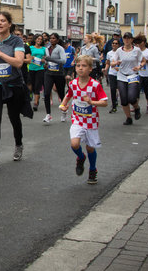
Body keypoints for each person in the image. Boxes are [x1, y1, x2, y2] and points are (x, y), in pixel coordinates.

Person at [0, 11, 26, 168]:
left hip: (13, 84)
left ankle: (19, 144)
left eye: (3, 21)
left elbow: (18, 63)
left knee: (14, 117)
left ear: (9, 24)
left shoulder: (16, 41)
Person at [59, 55, 108, 184]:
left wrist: (92, 102)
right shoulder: (73, 83)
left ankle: (92, 170)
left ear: (90, 69)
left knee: (90, 148)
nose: (80, 68)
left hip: (91, 121)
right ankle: (81, 158)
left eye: (84, 66)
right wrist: (63, 105)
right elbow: (69, 95)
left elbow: (104, 102)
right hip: (77, 119)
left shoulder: (95, 85)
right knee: (74, 144)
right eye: (78, 66)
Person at [110, 32, 145, 125]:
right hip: (121, 76)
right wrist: (116, 63)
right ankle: (128, 118)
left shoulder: (136, 50)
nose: (126, 40)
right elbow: (112, 63)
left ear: (132, 40)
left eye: (128, 38)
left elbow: (143, 60)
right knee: (124, 99)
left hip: (133, 75)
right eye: (125, 38)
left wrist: (139, 66)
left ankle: (136, 108)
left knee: (132, 98)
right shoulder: (119, 51)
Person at [42, 33, 67, 124]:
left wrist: (50, 60)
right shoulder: (47, 48)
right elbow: (46, 60)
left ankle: (64, 111)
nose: (52, 40)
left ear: (57, 40)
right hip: (48, 73)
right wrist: (45, 63)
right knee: (47, 93)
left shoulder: (60, 49)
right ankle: (48, 114)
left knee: (61, 94)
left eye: (54, 38)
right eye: (50, 38)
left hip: (59, 74)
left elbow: (63, 61)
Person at [134, 34, 148, 114]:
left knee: (146, 91)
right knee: (137, 91)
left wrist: (146, 61)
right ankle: (136, 107)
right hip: (138, 74)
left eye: (139, 42)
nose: (138, 44)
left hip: (147, 74)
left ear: (143, 42)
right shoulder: (136, 51)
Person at [28, 34, 45, 111]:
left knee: (37, 86)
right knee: (30, 85)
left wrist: (39, 59)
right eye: (38, 39)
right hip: (31, 68)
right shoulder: (30, 48)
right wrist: (33, 58)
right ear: (35, 39)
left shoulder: (44, 49)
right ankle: (30, 96)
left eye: (41, 39)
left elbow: (45, 59)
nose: (39, 40)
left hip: (40, 69)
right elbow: (28, 57)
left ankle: (35, 103)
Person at [104, 38, 120, 113]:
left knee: (120, 89)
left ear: (118, 45)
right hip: (112, 73)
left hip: (120, 74)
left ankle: (118, 99)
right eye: (113, 43)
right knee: (113, 89)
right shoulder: (109, 53)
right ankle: (114, 106)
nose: (114, 45)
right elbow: (107, 63)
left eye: (116, 43)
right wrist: (105, 69)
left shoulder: (121, 52)